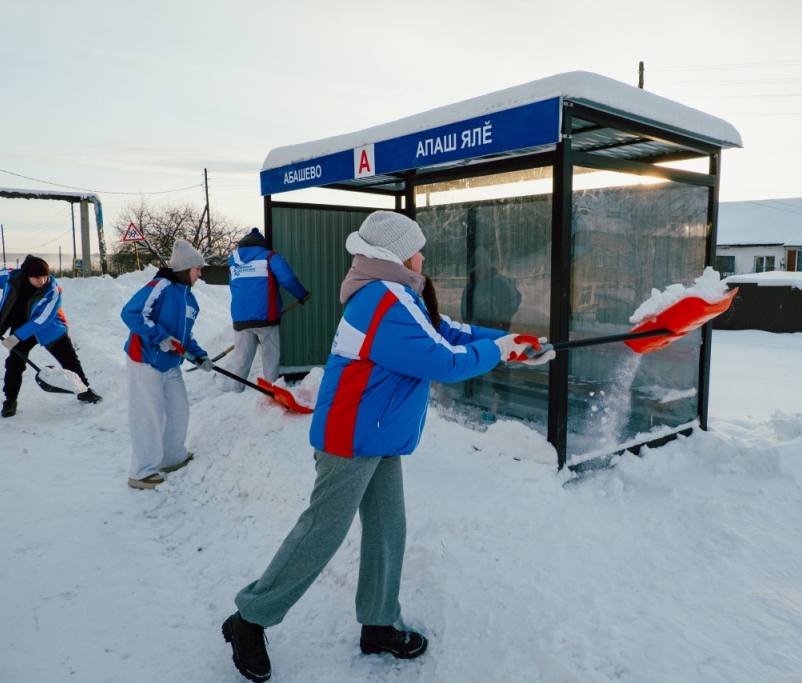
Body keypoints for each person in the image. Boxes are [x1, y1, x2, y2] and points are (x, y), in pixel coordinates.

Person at [221, 211, 554, 682]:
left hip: (376, 433)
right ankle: (249, 619)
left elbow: (450, 330)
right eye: (417, 248)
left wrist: (513, 341)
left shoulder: (398, 295)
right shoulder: (380, 301)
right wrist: (501, 351)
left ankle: (378, 624)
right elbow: (445, 360)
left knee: (387, 528)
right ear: (396, 254)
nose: (423, 256)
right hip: (350, 437)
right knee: (322, 533)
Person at [0, 255, 102, 417]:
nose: (41, 281)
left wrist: (16, 337)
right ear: (27, 275)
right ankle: (10, 400)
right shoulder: (10, 278)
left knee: (70, 361)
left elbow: (42, 319)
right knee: (14, 364)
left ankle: (85, 390)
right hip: (21, 325)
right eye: (37, 278)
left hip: (50, 328)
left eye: (44, 277)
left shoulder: (53, 289)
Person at [120, 240, 213, 490]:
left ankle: (171, 457)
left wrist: (198, 356)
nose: (200, 274)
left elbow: (183, 337)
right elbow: (132, 313)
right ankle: (141, 472)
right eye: (197, 269)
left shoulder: (190, 300)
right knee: (147, 415)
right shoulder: (160, 286)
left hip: (170, 363)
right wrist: (159, 336)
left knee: (178, 410)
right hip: (145, 359)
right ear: (185, 268)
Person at [226, 227, 309, 390]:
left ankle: (236, 392)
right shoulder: (269, 256)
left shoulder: (233, 260)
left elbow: (233, 286)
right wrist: (301, 294)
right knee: (270, 357)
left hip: (241, 318)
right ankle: (270, 391)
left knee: (241, 358)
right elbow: (288, 279)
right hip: (266, 317)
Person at [460, 247, 521, 332]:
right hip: (478, 331)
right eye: (477, 269)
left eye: (482, 267)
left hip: (500, 328)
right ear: (473, 270)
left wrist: (507, 313)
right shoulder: (470, 287)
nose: (480, 271)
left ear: (487, 266)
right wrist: (472, 324)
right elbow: (465, 310)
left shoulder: (502, 281)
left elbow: (515, 297)